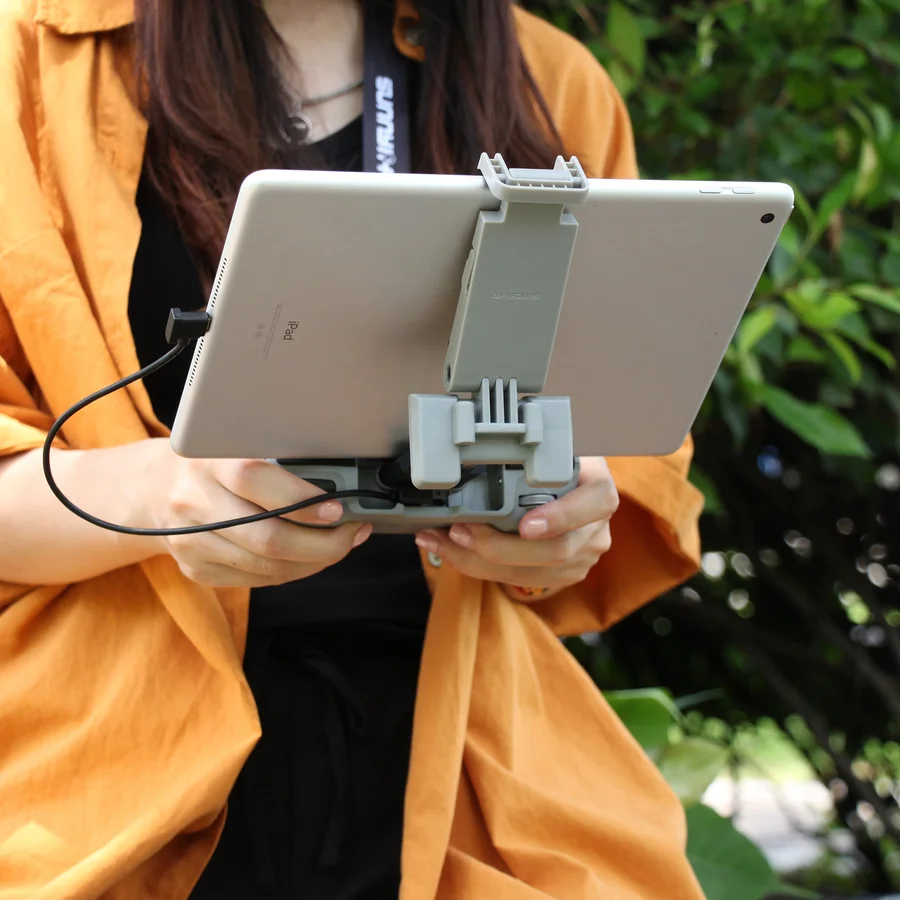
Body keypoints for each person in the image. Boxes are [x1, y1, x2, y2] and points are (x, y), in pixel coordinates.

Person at [0, 0, 706, 897]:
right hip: (102, 770)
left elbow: (626, 461)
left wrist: (559, 529)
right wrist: (153, 495)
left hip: (462, 763)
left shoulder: (548, 78)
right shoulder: (29, 57)